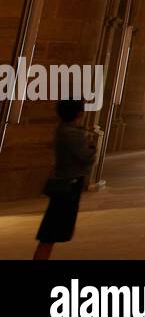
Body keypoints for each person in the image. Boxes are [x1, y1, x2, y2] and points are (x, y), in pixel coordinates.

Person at [32, 99, 99, 260]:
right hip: (68, 185)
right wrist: (91, 149)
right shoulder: (72, 133)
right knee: (50, 234)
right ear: (79, 113)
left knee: (50, 233)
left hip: (64, 182)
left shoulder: (62, 130)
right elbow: (85, 157)